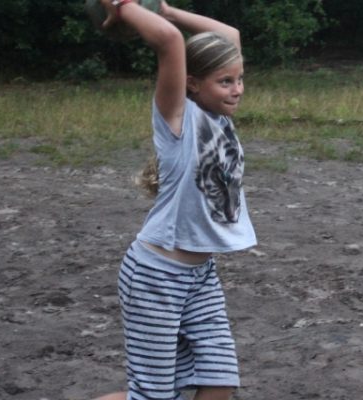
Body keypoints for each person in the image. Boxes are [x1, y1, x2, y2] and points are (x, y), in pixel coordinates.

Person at [93, 1, 256, 399]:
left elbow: (230, 36)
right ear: (192, 83)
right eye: (225, 81)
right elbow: (169, 43)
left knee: (220, 382)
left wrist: (167, 10)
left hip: (200, 275)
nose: (237, 89)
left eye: (239, 79)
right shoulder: (178, 121)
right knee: (152, 396)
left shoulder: (220, 118)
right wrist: (122, 7)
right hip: (156, 276)